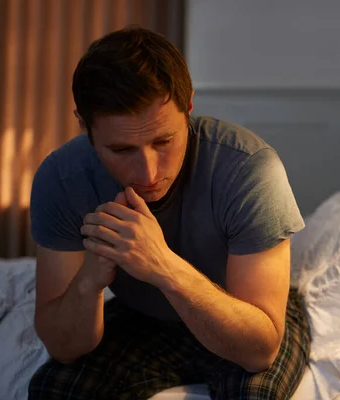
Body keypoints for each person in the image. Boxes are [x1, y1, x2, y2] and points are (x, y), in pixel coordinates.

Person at [28, 26, 310, 400]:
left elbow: (259, 350)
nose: (147, 173)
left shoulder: (249, 170)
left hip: (241, 313)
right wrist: (89, 280)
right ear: (84, 125)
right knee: (55, 388)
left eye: (163, 141)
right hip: (144, 316)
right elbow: (64, 348)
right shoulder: (61, 179)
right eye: (122, 150)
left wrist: (160, 264)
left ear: (188, 107)